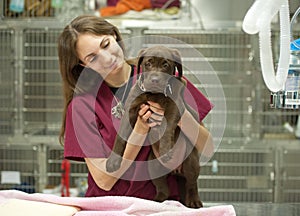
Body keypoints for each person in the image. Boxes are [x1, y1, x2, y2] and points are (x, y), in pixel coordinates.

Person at [57, 14, 214, 202]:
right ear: (83, 65)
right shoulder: (82, 106)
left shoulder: (166, 77)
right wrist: (139, 131)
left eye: (106, 44)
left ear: (114, 35)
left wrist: (179, 114)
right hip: (112, 206)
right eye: (92, 58)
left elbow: (207, 147)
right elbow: (104, 180)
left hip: (166, 205)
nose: (107, 58)